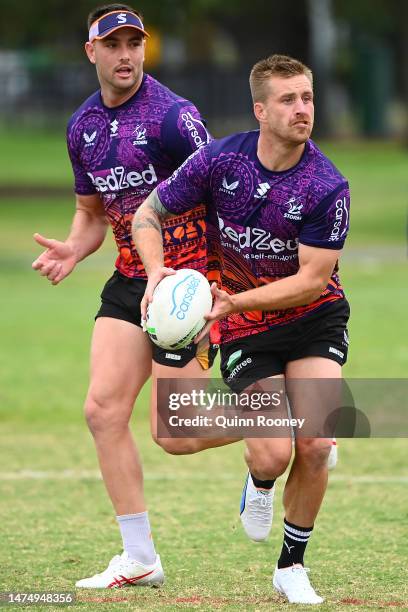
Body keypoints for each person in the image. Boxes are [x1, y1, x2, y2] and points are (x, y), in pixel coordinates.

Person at [132, 54, 350, 605]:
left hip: (311, 317)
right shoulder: (220, 162)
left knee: (318, 441)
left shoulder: (326, 184)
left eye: (307, 98)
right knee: (275, 453)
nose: (303, 110)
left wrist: (233, 300)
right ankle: (259, 480)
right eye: (288, 100)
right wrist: (156, 271)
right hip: (248, 328)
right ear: (260, 110)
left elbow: (310, 281)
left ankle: (291, 567)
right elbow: (147, 213)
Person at [31, 3, 225, 589]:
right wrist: (72, 246)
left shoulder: (173, 118)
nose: (125, 55)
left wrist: (218, 283)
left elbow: (228, 191)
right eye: (112, 45)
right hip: (129, 280)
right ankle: (139, 556)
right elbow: (93, 212)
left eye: (134, 44)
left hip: (187, 282)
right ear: (91, 52)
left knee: (177, 430)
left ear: (145, 48)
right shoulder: (81, 128)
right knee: (102, 411)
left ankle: (297, 413)